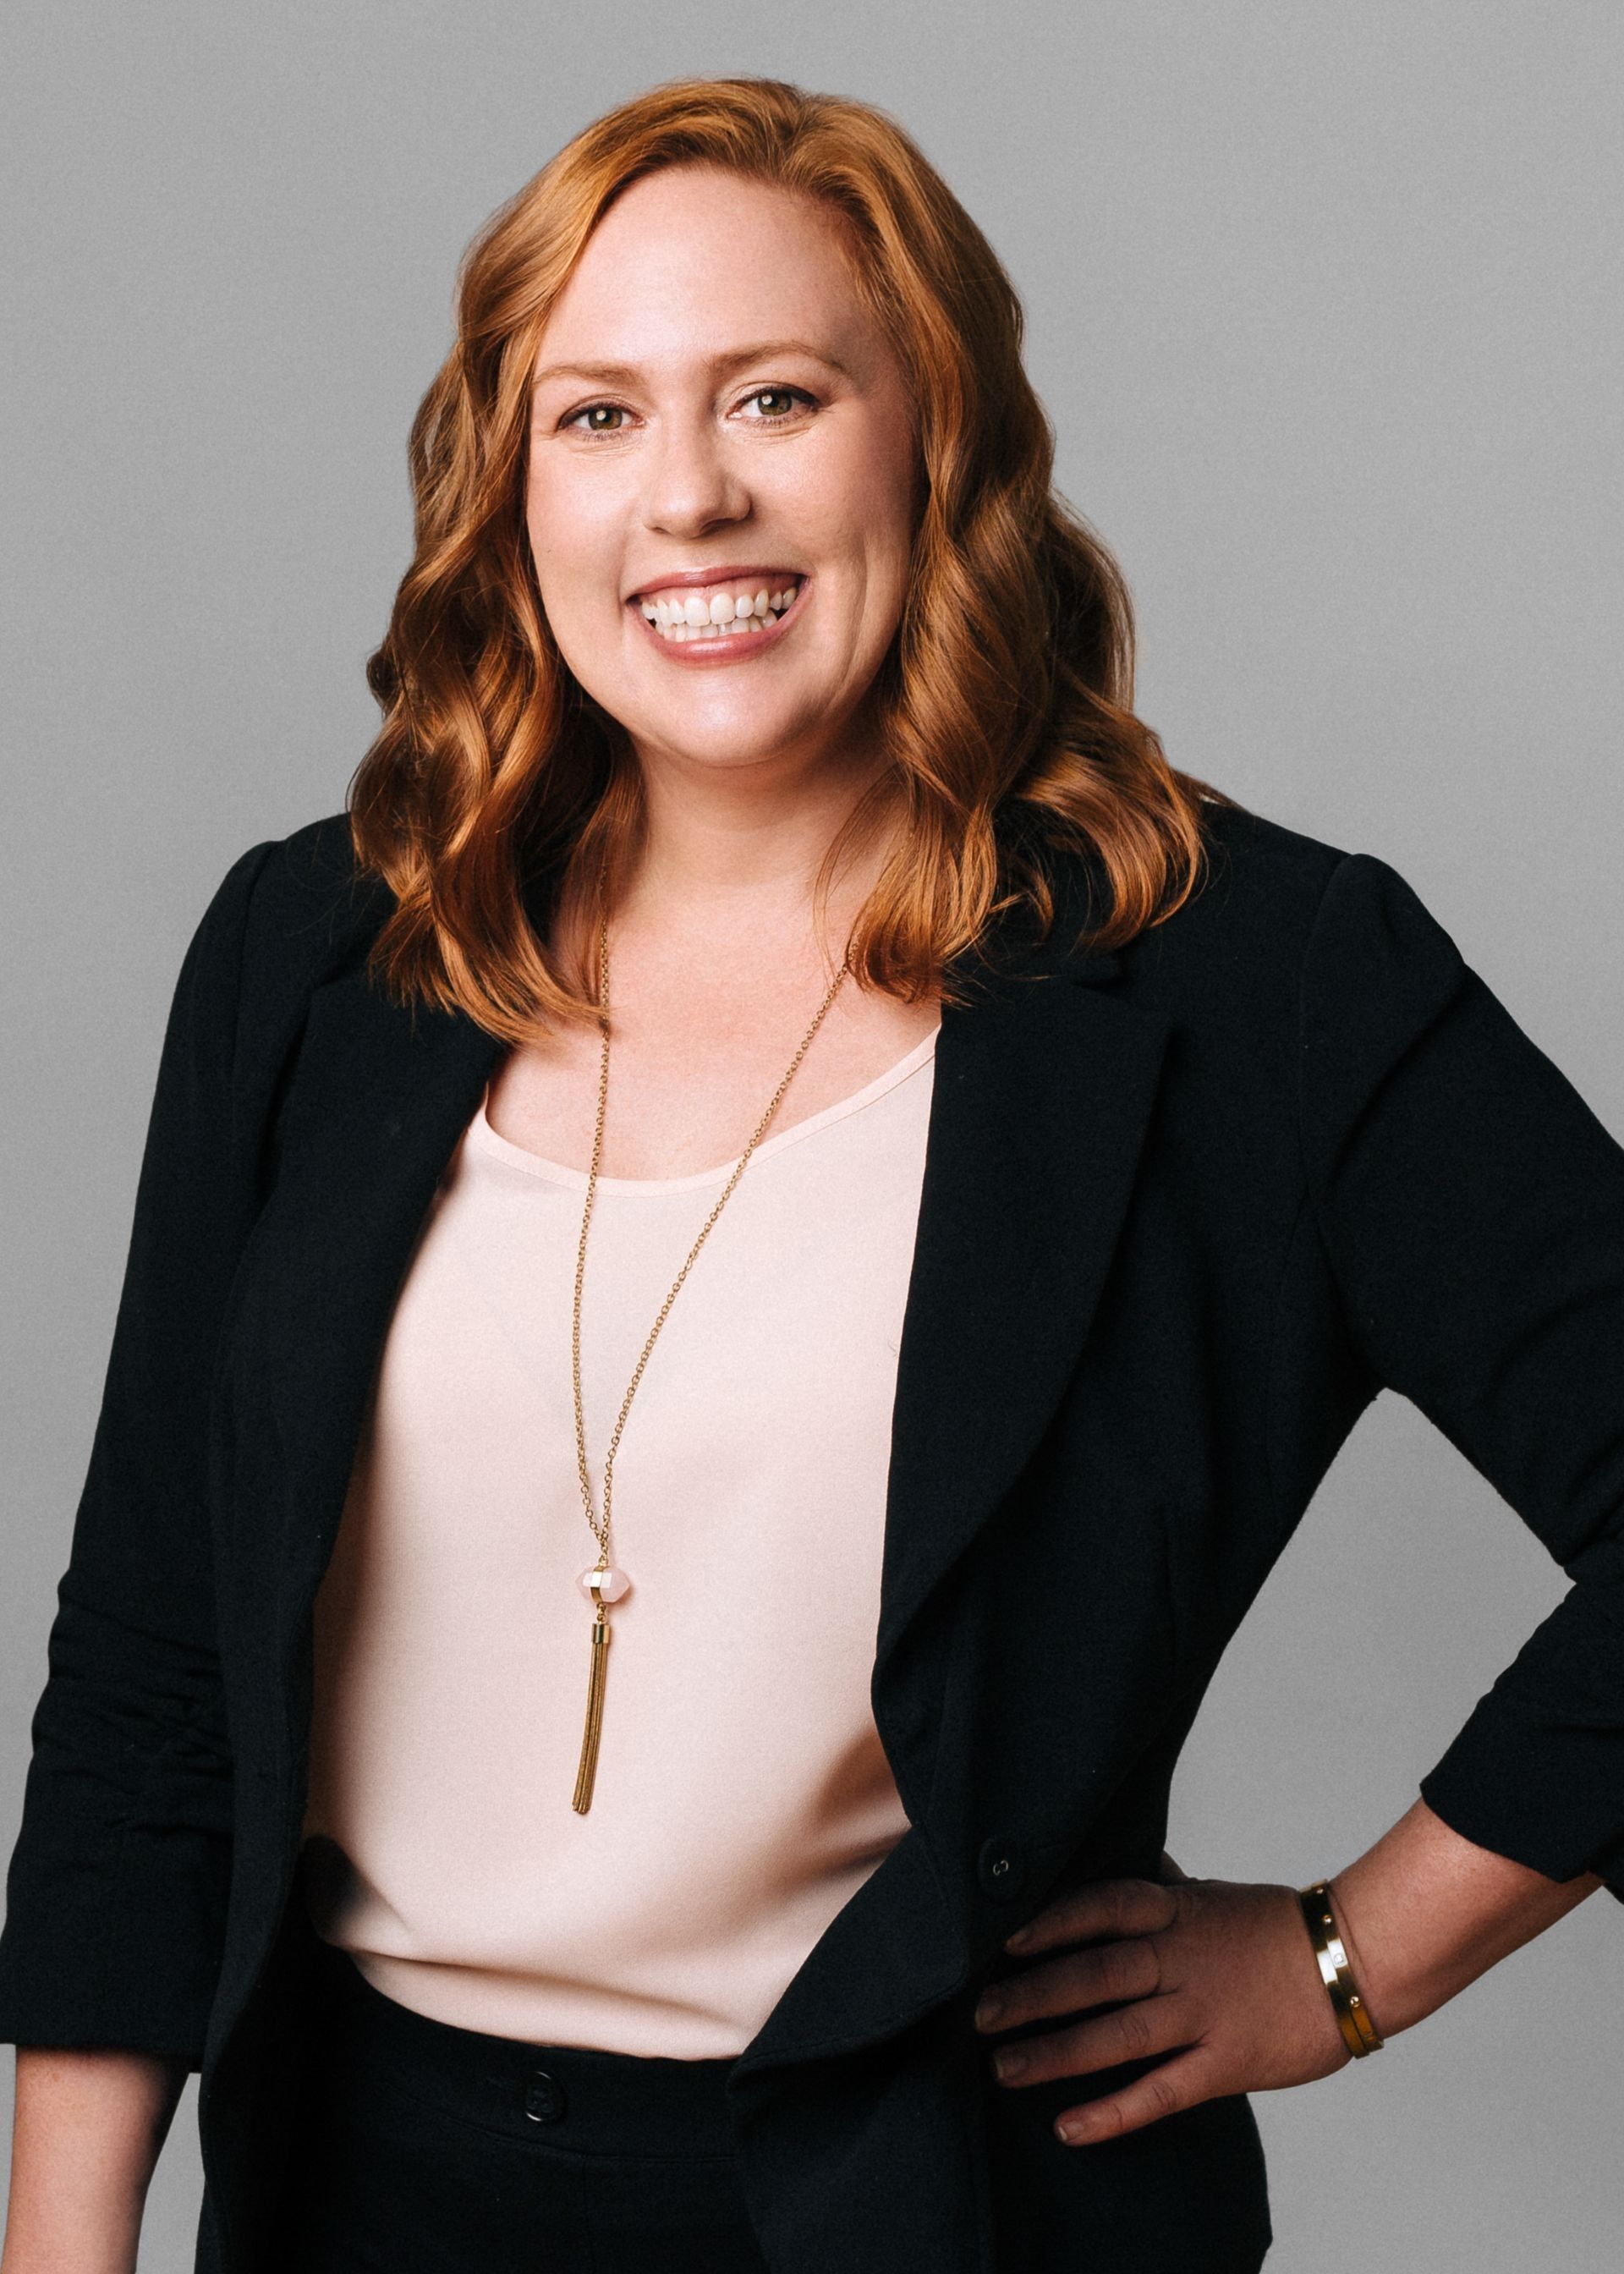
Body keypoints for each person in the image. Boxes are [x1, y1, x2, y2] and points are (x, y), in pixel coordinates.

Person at [0, 72, 1618, 2274]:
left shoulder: (1257, 984)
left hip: (928, 2211)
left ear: (931, 436)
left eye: (776, 397)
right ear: (510, 482)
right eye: (597, 416)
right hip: (353, 2199)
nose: (688, 498)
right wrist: (62, 2246)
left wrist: (1354, 1963)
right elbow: (157, 1672)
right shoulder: (321, 947)